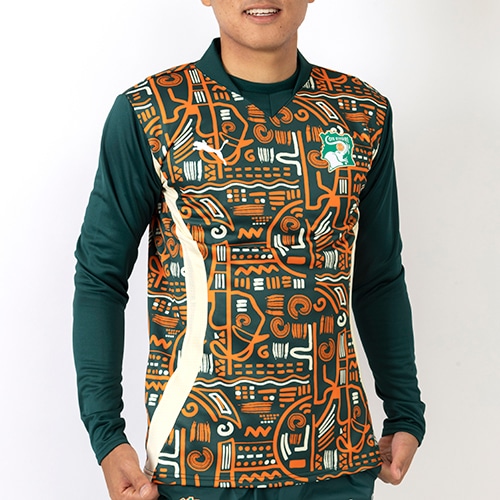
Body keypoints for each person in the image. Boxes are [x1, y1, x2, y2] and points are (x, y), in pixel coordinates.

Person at [73, 1, 425, 499]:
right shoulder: (152, 112)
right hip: (196, 458)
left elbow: (379, 275)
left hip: (335, 457)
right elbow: (100, 276)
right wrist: (107, 436)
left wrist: (405, 411)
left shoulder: (361, 114)